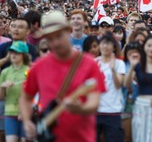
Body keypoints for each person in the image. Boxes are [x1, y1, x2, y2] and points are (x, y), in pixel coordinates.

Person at [19, 10, 106, 142]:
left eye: (59, 36)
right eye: (50, 39)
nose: (55, 43)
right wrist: (27, 121)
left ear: (69, 31)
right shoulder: (39, 66)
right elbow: (25, 98)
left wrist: (80, 109)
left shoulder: (89, 64)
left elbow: (94, 103)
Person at [96, 33, 125, 142]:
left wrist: (112, 69)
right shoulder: (94, 63)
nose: (105, 46)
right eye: (103, 43)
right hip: (96, 110)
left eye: (108, 44)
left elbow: (118, 85)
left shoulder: (119, 63)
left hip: (113, 110)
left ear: (113, 46)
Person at [0, 41, 30, 142]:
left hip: (26, 113)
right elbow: (1, 97)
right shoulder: (5, 72)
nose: (13, 55)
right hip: (9, 112)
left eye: (17, 52)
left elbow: (33, 94)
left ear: (23, 55)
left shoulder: (28, 71)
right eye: (11, 52)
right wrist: (2, 87)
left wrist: (24, 111)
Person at [121, 42, 142, 142]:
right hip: (127, 103)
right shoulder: (123, 66)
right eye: (130, 53)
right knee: (127, 137)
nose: (134, 55)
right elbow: (125, 84)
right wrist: (132, 67)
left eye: (136, 53)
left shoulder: (146, 65)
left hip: (143, 104)